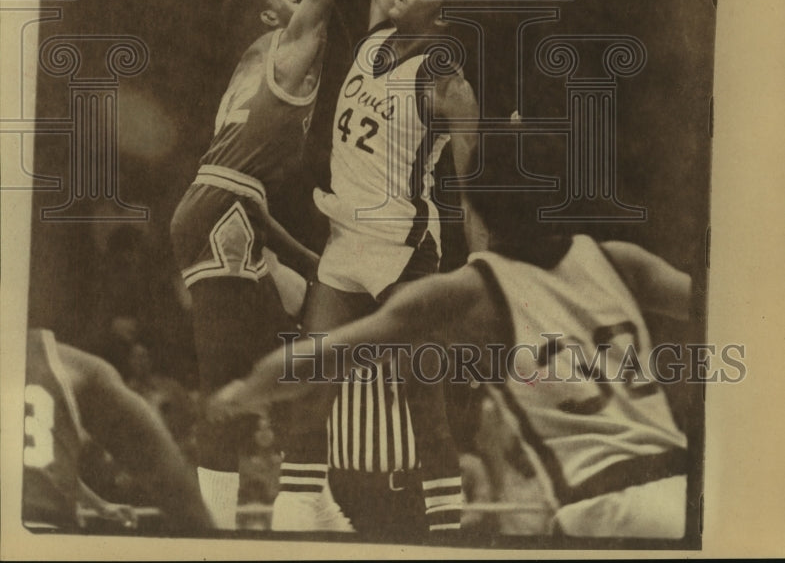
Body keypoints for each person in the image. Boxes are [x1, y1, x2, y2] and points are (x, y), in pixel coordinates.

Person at [210, 135, 692, 542]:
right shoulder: (622, 260)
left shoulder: (469, 293)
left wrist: (244, 392)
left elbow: (317, 359)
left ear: (474, 210)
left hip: (604, 510)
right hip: (687, 494)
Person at [271, 0, 483, 536]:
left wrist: (474, 253)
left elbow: (471, 174)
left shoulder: (442, 81)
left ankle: (452, 528)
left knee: (418, 389)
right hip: (342, 238)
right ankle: (300, 509)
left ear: (441, 17)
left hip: (401, 249)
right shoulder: (372, 35)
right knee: (310, 370)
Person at [169, 0, 371, 527]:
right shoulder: (285, 50)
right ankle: (211, 527)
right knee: (224, 378)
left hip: (233, 212)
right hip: (221, 212)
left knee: (312, 333)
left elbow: (247, 193)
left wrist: (307, 259)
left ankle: (307, 492)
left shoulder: (243, 74)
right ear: (266, 12)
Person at [22, 328, 212, 533]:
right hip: (48, 530)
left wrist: (100, 505)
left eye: (144, 356)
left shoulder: (168, 389)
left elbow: (52, 469)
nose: (141, 362)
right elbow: (173, 482)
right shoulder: (72, 367)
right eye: (136, 357)